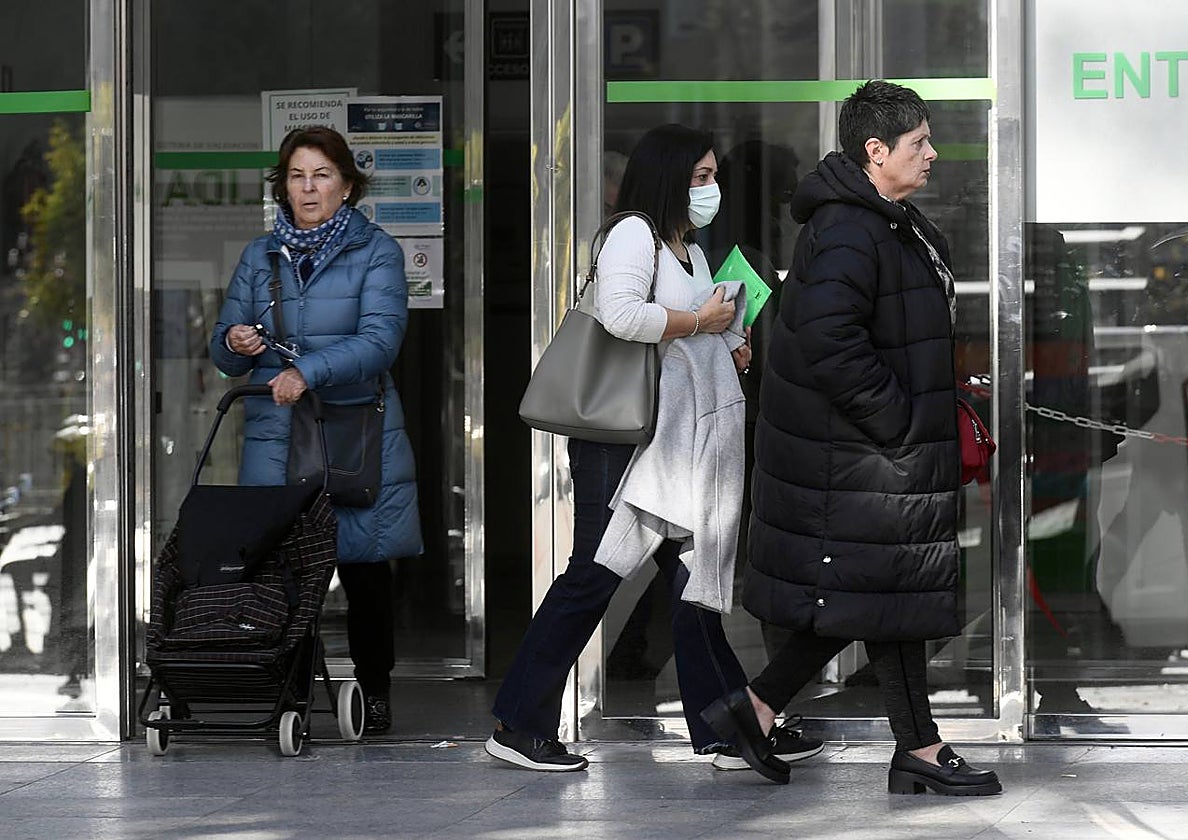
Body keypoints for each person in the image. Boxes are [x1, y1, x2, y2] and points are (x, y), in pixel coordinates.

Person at [486, 123, 822, 773]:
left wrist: (729, 343)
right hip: (622, 439)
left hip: (668, 441)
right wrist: (702, 322)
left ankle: (728, 728)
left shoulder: (687, 248)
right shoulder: (632, 234)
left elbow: (678, 337)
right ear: (667, 176)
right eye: (700, 177)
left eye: (714, 176)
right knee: (592, 577)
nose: (711, 188)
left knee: (691, 584)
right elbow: (621, 316)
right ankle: (519, 721)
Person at [702, 81, 1002, 796]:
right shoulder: (848, 228)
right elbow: (830, 342)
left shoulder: (888, 221)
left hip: (876, 457)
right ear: (876, 151)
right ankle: (881, 739)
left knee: (880, 597)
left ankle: (891, 741)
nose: (931, 154)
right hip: (864, 458)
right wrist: (898, 418)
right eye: (917, 142)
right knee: (867, 596)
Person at [209, 125, 421, 734]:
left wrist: (307, 370)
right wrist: (234, 341)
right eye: (297, 176)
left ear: (347, 186)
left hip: (353, 432)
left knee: (363, 569)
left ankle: (374, 692)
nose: (308, 188)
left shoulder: (377, 250)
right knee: (283, 575)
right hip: (277, 437)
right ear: (283, 186)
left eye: (322, 175)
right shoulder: (259, 254)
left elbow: (382, 342)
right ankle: (293, 694)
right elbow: (226, 354)